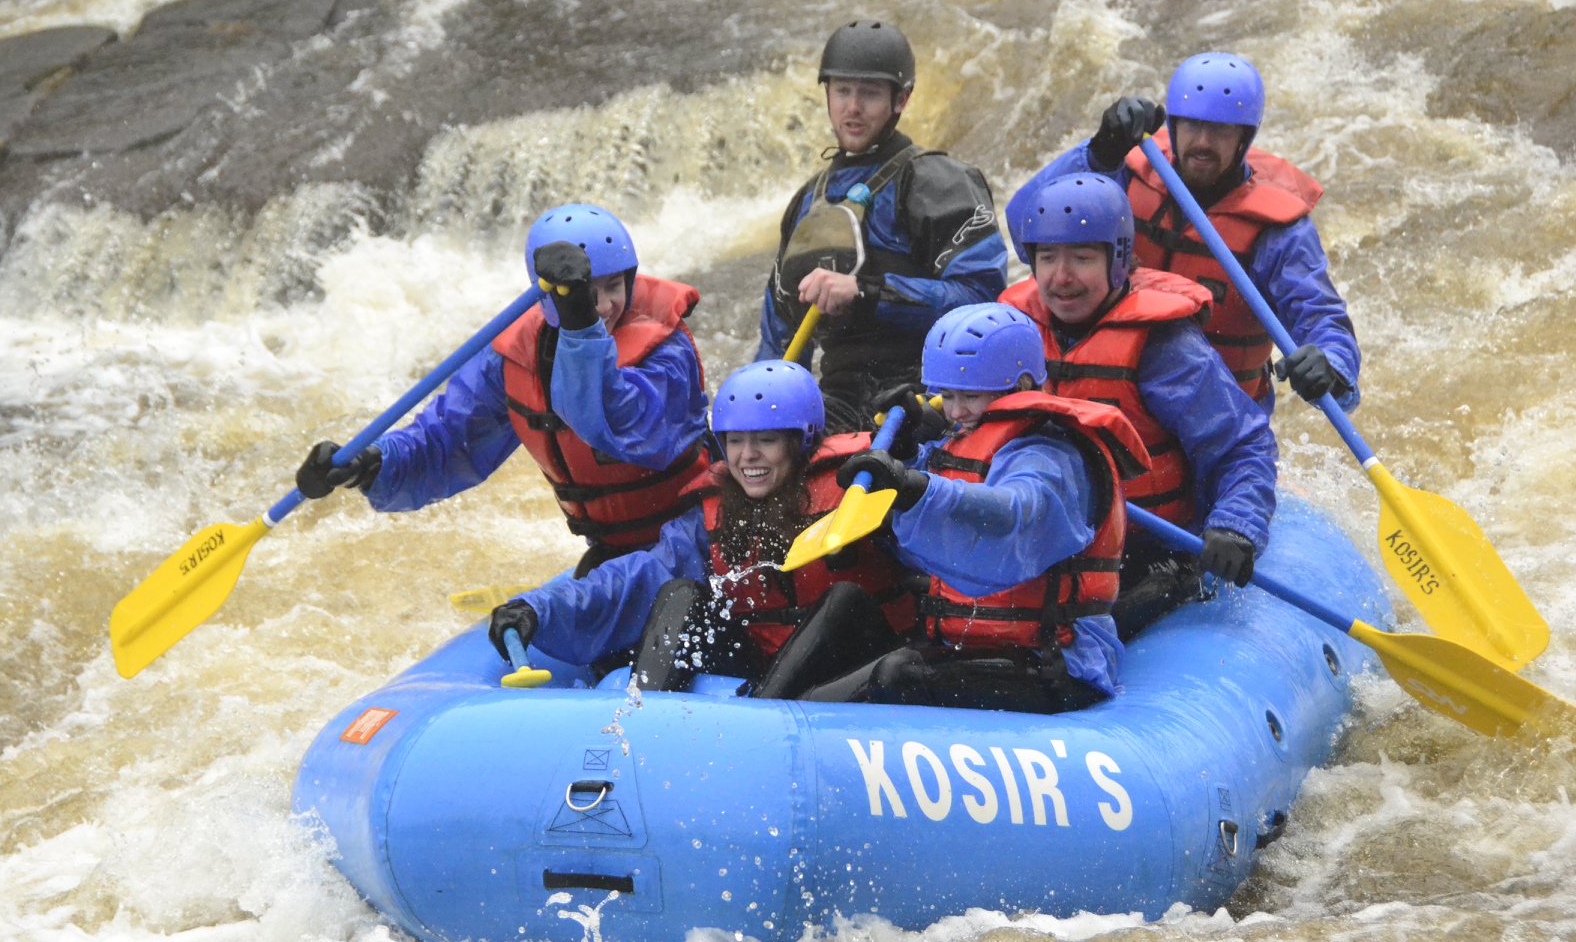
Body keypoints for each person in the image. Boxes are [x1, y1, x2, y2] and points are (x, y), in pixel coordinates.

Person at [295, 203, 709, 578]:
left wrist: (580, 324)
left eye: (614, 286)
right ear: (544, 295)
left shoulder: (666, 351)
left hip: (699, 540)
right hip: (614, 552)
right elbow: (446, 441)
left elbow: (620, 423)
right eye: (587, 293)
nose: (602, 306)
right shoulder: (513, 356)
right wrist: (369, 464)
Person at [774, 303, 1150, 712]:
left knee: (898, 674)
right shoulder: (961, 437)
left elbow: (1012, 515)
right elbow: (932, 535)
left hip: (1053, 664)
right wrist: (906, 454)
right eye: (946, 396)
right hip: (964, 642)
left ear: (1021, 385)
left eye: (969, 396)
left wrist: (913, 486)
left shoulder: (1050, 454)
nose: (954, 412)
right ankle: (765, 708)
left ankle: (791, 725)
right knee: (846, 600)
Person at [486, 361, 918, 691]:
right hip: (765, 664)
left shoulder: (862, 488)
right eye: (735, 441)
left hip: (857, 666)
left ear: (800, 441)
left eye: (766, 441)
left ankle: (763, 715)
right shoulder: (715, 513)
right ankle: (640, 721)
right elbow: (636, 577)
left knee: (844, 599)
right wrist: (538, 608)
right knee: (681, 594)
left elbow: (941, 539)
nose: (747, 456)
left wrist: (915, 462)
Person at [1002, 172, 1278, 638]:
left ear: (1119, 261)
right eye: (1047, 258)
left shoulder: (1165, 347)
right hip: (1049, 534)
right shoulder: (1013, 327)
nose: (1060, 277)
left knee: (1069, 627)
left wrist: (1236, 525)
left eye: (1082, 258)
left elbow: (1244, 445)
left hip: (1149, 546)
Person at [1005, 51, 1360, 413]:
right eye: (1191, 126)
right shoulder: (1126, 174)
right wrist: (1097, 155)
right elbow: (1023, 231)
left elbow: (1319, 314)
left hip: (1212, 414)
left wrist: (1331, 366)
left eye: (1220, 130)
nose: (1202, 143)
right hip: (1106, 389)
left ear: (1244, 138)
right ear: (1173, 126)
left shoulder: (1277, 232)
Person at [755, 20, 1008, 433]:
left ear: (901, 100)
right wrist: (760, 414)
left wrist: (867, 292)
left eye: (869, 93)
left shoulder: (937, 182)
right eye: (842, 91)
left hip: (931, 396)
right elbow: (777, 336)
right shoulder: (806, 202)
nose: (852, 107)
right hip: (840, 402)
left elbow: (981, 300)